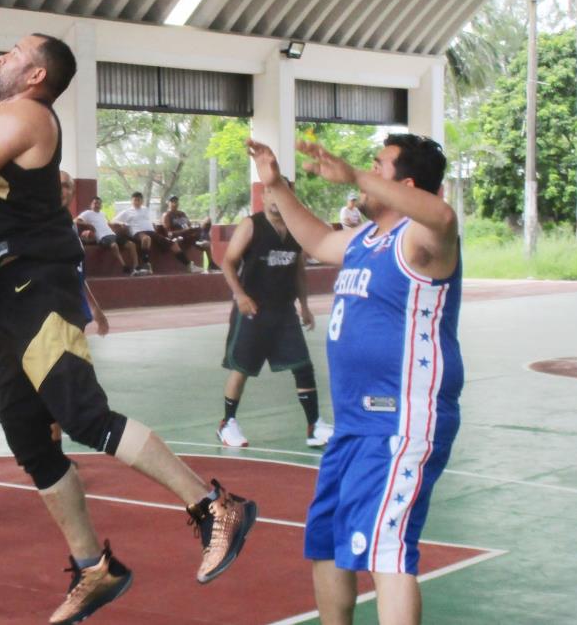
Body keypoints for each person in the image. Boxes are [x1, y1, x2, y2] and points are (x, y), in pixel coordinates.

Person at [0, 0, 257, 625]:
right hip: (5, 298)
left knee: (84, 415)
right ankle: (93, 564)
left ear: (34, 74)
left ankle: (210, 502)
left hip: (37, 287)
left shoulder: (28, 118)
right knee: (30, 442)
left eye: (10, 52)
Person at [246, 133, 462, 625]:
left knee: (388, 549)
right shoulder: (366, 240)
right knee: (325, 539)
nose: (365, 174)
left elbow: (444, 216)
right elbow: (318, 240)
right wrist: (275, 185)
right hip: (352, 425)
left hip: (402, 421)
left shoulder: (423, 239)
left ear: (405, 185)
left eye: (377, 167)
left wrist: (352, 175)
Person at [217, 184, 332, 449]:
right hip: (253, 309)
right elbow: (228, 262)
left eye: (281, 194)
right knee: (242, 369)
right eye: (270, 192)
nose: (274, 198)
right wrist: (240, 296)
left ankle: (314, 425)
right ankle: (227, 424)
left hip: (283, 311)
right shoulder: (251, 225)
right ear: (264, 195)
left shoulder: (295, 228)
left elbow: (298, 270)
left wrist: (304, 304)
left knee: (303, 366)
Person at [60, 171, 109, 337]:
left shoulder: (71, 227)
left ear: (73, 193)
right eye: (55, 186)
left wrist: (95, 309)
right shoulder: (38, 225)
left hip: (75, 314)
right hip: (49, 317)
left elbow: (78, 274)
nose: (60, 190)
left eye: (65, 186)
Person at [75, 196, 139, 276]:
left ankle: (136, 267)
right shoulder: (87, 213)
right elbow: (76, 220)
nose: (97, 205)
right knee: (114, 245)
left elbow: (109, 223)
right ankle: (124, 266)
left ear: (101, 205)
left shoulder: (102, 214)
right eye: (95, 203)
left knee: (131, 244)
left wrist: (120, 223)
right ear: (91, 205)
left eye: (99, 203)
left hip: (112, 234)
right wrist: (88, 224)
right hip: (102, 237)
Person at [161, 195, 219, 272]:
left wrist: (193, 228)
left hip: (189, 237)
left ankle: (211, 263)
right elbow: (169, 234)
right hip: (179, 239)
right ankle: (190, 265)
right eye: (172, 202)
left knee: (206, 237)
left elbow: (189, 225)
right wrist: (186, 231)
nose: (175, 203)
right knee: (201, 235)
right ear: (168, 203)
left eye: (176, 201)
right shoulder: (167, 215)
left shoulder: (182, 214)